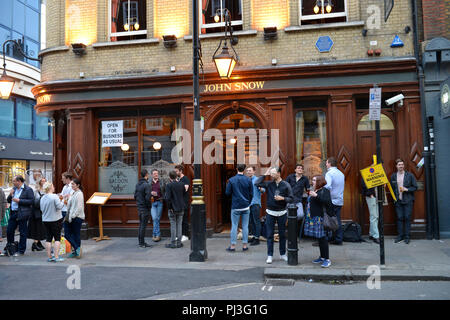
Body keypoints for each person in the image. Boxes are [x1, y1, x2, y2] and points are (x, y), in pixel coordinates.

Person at [256, 167, 293, 264]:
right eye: (270, 173)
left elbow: (291, 198)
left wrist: (283, 198)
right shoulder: (269, 183)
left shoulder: (286, 185)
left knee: (282, 234)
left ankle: (282, 254)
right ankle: (270, 255)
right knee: (269, 235)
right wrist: (265, 174)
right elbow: (256, 183)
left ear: (279, 173)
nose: (271, 175)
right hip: (270, 212)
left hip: (282, 212)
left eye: (273, 173)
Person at [303, 175, 333, 268]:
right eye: (313, 180)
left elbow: (328, 203)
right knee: (319, 239)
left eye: (315, 180)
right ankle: (322, 257)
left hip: (320, 218)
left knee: (323, 239)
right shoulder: (315, 190)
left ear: (320, 182)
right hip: (314, 218)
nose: (313, 182)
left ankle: (327, 259)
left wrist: (316, 196)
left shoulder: (325, 191)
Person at [225, 164, 253, 252]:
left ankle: (233, 246)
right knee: (245, 226)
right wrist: (248, 202)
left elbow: (227, 193)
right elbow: (251, 193)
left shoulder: (232, 180)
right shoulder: (248, 180)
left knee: (234, 226)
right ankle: (245, 246)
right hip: (245, 206)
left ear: (236, 169)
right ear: (244, 170)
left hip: (236, 206)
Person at [390, 158, 417, 244]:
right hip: (398, 201)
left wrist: (407, 189)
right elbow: (392, 188)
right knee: (399, 218)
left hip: (408, 200)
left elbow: (415, 187)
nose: (401, 166)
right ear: (396, 166)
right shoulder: (393, 176)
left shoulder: (410, 175)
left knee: (407, 218)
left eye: (402, 164)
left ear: (404, 165)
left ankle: (407, 236)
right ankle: (400, 236)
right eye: (399, 165)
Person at [6, 175, 34, 256]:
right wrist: (10, 195)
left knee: (22, 232)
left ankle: (21, 250)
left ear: (19, 181)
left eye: (14, 181)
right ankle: (10, 247)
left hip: (22, 213)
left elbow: (31, 201)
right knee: (9, 230)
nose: (13, 182)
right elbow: (8, 200)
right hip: (13, 212)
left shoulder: (28, 189)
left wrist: (20, 201)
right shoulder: (14, 189)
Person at [40, 182, 65, 262]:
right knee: (57, 238)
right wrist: (63, 201)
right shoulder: (54, 196)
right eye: (53, 186)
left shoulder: (43, 197)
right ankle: (56, 257)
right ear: (50, 187)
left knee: (48, 238)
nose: (54, 187)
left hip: (45, 220)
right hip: (55, 219)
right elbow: (59, 206)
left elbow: (41, 209)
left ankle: (50, 257)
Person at [324, 157, 345, 245]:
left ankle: (331, 238)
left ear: (329, 163)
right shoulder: (341, 173)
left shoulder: (329, 173)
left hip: (331, 201)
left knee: (329, 221)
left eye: (326, 163)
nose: (326, 164)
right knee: (337, 220)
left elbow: (328, 186)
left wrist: (320, 189)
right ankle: (338, 238)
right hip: (339, 200)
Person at [286, 164, 310, 237]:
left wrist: (310, 194)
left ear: (302, 171)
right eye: (298, 168)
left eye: (301, 168)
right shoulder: (290, 177)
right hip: (289, 200)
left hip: (298, 200)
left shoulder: (305, 179)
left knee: (300, 215)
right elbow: (284, 186)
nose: (300, 169)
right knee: (287, 215)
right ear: (295, 170)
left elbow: (308, 189)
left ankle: (291, 223)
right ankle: (290, 231)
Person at [164, 170, 187, 249]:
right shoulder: (182, 184)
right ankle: (179, 242)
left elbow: (168, 198)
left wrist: (170, 208)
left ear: (170, 177)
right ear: (176, 176)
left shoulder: (169, 185)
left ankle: (173, 243)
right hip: (181, 207)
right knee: (179, 224)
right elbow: (183, 194)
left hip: (173, 208)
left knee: (173, 225)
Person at [65, 178, 85, 258]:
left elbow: (79, 207)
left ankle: (76, 251)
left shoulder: (79, 194)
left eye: (73, 184)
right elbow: (70, 204)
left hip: (76, 217)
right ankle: (77, 249)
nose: (71, 185)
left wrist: (73, 216)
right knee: (68, 234)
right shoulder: (73, 193)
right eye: (71, 184)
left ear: (78, 185)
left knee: (76, 234)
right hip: (70, 216)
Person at [246, 166, 265, 246]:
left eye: (250, 170)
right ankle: (254, 236)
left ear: (254, 171)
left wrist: (261, 189)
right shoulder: (247, 180)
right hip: (248, 204)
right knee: (251, 221)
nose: (248, 172)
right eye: (247, 171)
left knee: (256, 221)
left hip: (255, 203)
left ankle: (257, 238)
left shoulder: (257, 180)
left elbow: (264, 190)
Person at [134, 169, 153, 248]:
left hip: (139, 207)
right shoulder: (147, 185)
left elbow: (135, 196)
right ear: (146, 175)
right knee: (143, 226)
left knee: (141, 225)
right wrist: (149, 207)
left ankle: (141, 242)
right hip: (144, 208)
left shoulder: (138, 184)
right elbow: (148, 198)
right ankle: (142, 243)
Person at [28, 177, 47, 251]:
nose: (44, 183)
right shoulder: (35, 191)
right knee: (37, 228)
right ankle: (35, 244)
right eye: (42, 181)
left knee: (40, 228)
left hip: (42, 211)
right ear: (39, 182)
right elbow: (35, 203)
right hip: (36, 212)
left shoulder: (45, 190)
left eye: (45, 181)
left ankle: (38, 243)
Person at [361, 177, 380, 244]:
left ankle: (371, 234)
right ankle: (376, 236)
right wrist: (370, 194)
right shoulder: (367, 174)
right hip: (371, 197)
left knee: (375, 216)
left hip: (378, 197)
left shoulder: (379, 173)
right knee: (374, 216)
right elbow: (364, 184)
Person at [175, 164, 190, 242]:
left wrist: (177, 184)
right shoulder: (179, 179)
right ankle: (180, 235)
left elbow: (185, 189)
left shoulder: (185, 179)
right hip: (179, 202)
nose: (176, 172)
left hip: (184, 202)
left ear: (180, 171)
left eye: (177, 171)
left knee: (184, 219)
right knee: (179, 220)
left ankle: (186, 235)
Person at [150, 169, 165, 242]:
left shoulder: (162, 182)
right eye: (154, 173)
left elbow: (164, 191)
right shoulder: (149, 182)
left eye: (157, 173)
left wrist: (162, 197)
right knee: (155, 218)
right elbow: (146, 192)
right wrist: (151, 193)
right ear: (152, 175)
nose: (156, 174)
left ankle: (155, 235)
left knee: (157, 219)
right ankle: (157, 234)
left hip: (160, 202)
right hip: (152, 203)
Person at [60, 172, 74, 237]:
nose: (62, 180)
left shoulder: (72, 186)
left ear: (68, 178)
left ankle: (71, 244)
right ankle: (68, 244)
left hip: (68, 210)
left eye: (63, 178)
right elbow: (62, 196)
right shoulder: (65, 186)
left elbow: (70, 197)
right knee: (65, 228)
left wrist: (64, 197)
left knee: (69, 229)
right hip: (63, 209)